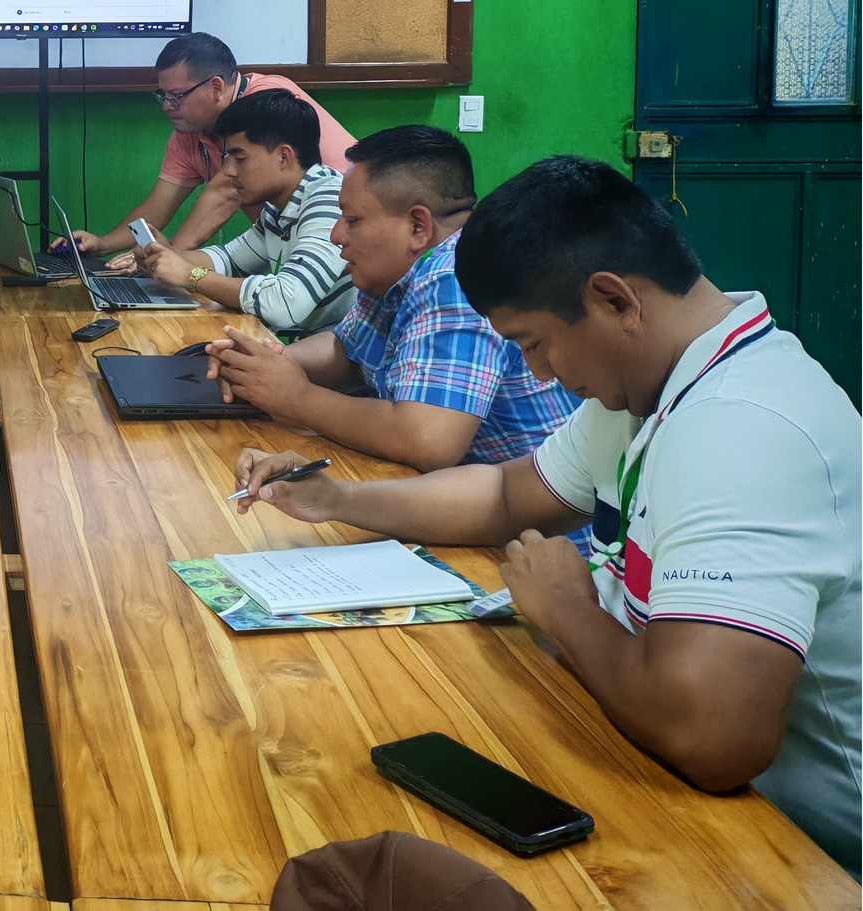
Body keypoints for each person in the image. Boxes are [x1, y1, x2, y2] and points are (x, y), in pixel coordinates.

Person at [232, 157, 861, 876]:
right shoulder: (656, 382)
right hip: (659, 765)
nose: (536, 373)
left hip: (806, 852)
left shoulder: (744, 429)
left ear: (615, 300)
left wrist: (568, 608)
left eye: (533, 342)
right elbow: (506, 495)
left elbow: (713, 736)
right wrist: (338, 499)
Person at [210, 126, 579, 471]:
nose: (337, 235)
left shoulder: (456, 277)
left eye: (352, 220)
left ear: (417, 226)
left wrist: (297, 398)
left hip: (525, 514)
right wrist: (262, 364)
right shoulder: (394, 271)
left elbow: (427, 438)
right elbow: (346, 352)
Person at [55, 31, 355, 265]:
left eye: (176, 95)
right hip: (287, 243)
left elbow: (225, 193)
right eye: (162, 95)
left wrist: (169, 258)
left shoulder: (267, 101)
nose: (167, 106)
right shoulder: (190, 132)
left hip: (344, 233)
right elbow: (156, 209)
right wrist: (102, 244)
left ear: (215, 87)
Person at [133, 88, 353, 338]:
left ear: (283, 157)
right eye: (227, 158)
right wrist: (166, 256)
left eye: (240, 159)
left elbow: (283, 303)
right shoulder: (278, 208)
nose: (228, 171)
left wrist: (189, 275)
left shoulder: (330, 200)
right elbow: (230, 261)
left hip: (348, 355)